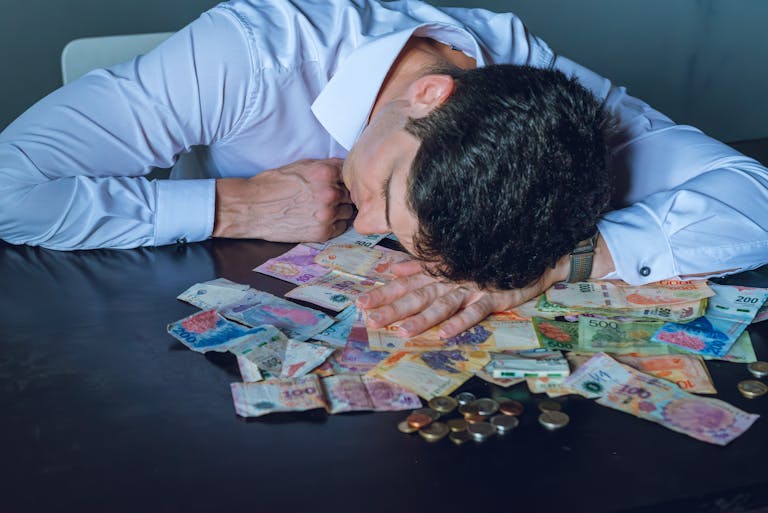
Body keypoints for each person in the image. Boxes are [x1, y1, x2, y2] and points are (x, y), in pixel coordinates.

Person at [1, 0, 766, 337]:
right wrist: (230, 207)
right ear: (429, 96)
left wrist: (556, 266)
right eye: (388, 198)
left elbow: (754, 199)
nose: (367, 229)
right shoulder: (251, 54)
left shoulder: (554, 101)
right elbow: (12, 189)